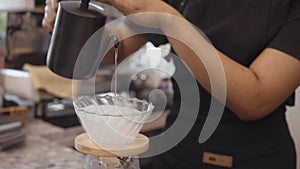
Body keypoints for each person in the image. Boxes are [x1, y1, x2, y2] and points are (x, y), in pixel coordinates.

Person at [43, 0, 300, 168]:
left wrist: (169, 19)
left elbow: (255, 99)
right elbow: (114, 46)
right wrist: (67, 24)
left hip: (254, 159)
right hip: (178, 155)